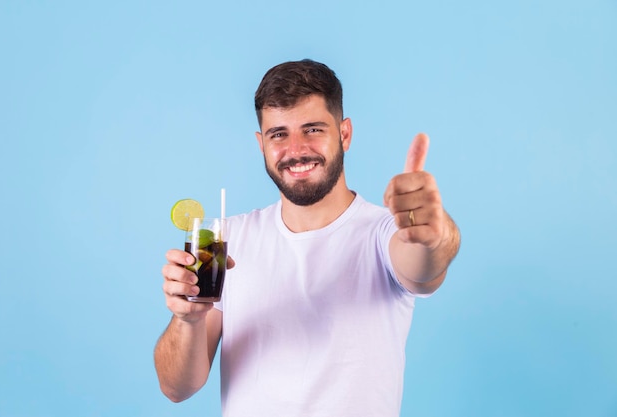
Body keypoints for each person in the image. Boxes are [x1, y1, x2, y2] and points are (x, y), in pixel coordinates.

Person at [154, 59, 460, 417]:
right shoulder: (228, 241)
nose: (296, 149)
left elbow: (426, 266)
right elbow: (176, 387)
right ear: (261, 144)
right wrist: (187, 319)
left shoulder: (384, 233)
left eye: (313, 129)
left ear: (344, 134)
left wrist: (434, 233)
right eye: (279, 134)